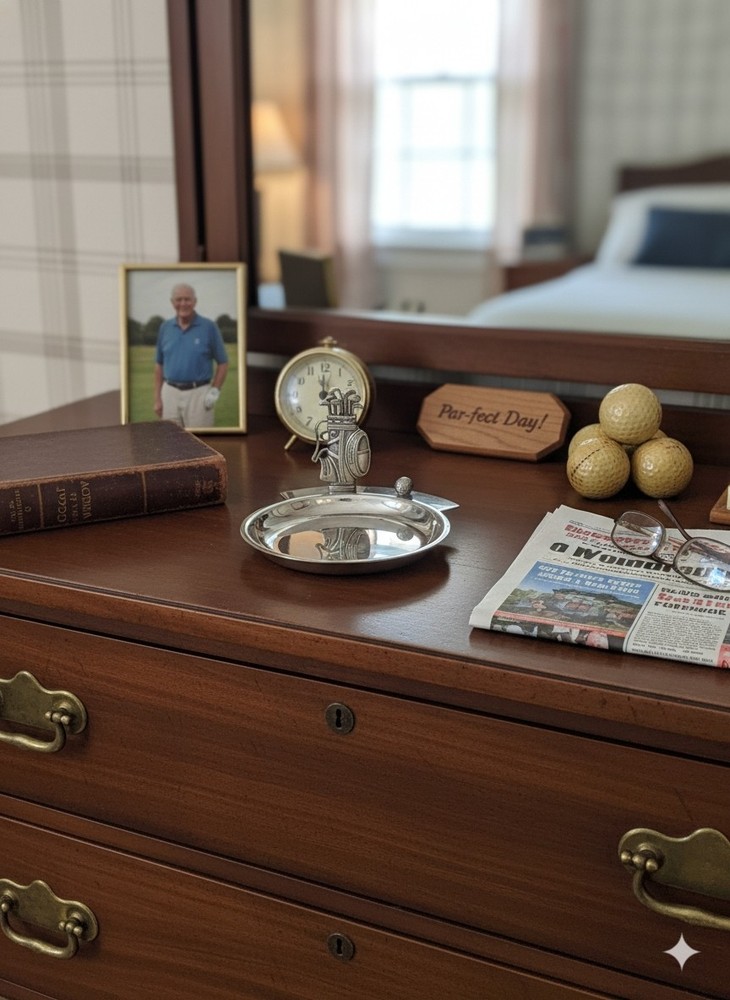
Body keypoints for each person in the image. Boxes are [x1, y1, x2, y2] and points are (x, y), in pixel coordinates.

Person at [154, 283, 229, 428]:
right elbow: (159, 365)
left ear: (195, 301)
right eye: (179, 299)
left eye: (187, 299)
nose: (183, 304)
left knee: (201, 444)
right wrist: (157, 398)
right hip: (170, 392)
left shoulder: (209, 327)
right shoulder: (165, 327)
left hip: (199, 393)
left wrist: (215, 391)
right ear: (172, 302)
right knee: (169, 444)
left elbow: (223, 362)